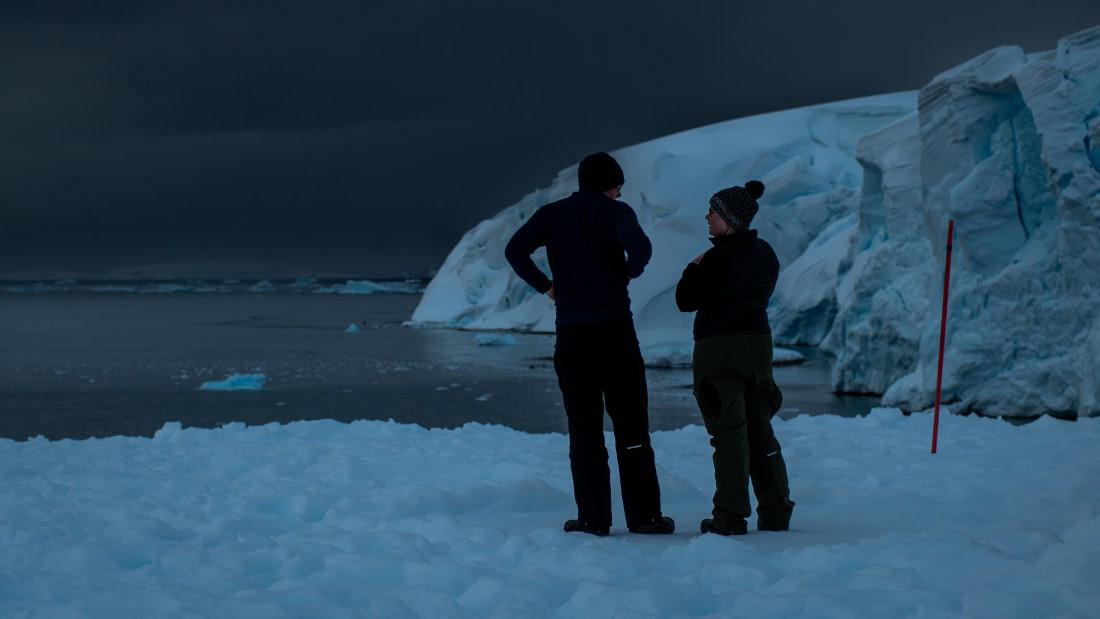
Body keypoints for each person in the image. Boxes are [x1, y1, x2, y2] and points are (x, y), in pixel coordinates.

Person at [505, 152, 674, 537]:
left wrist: (548, 288)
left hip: (573, 336)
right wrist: (626, 273)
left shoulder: (551, 215)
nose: (620, 191)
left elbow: (514, 251)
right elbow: (642, 250)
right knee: (632, 425)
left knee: (584, 429)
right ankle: (645, 517)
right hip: (615, 332)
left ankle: (593, 520)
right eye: (618, 184)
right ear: (608, 184)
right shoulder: (617, 213)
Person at [674, 180, 795, 535]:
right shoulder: (765, 254)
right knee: (760, 429)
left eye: (713, 212)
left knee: (729, 432)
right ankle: (776, 511)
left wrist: (694, 267)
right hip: (758, 346)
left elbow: (685, 300)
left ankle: (729, 516)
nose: (707, 217)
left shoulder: (717, 257)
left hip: (718, 348)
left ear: (729, 219)